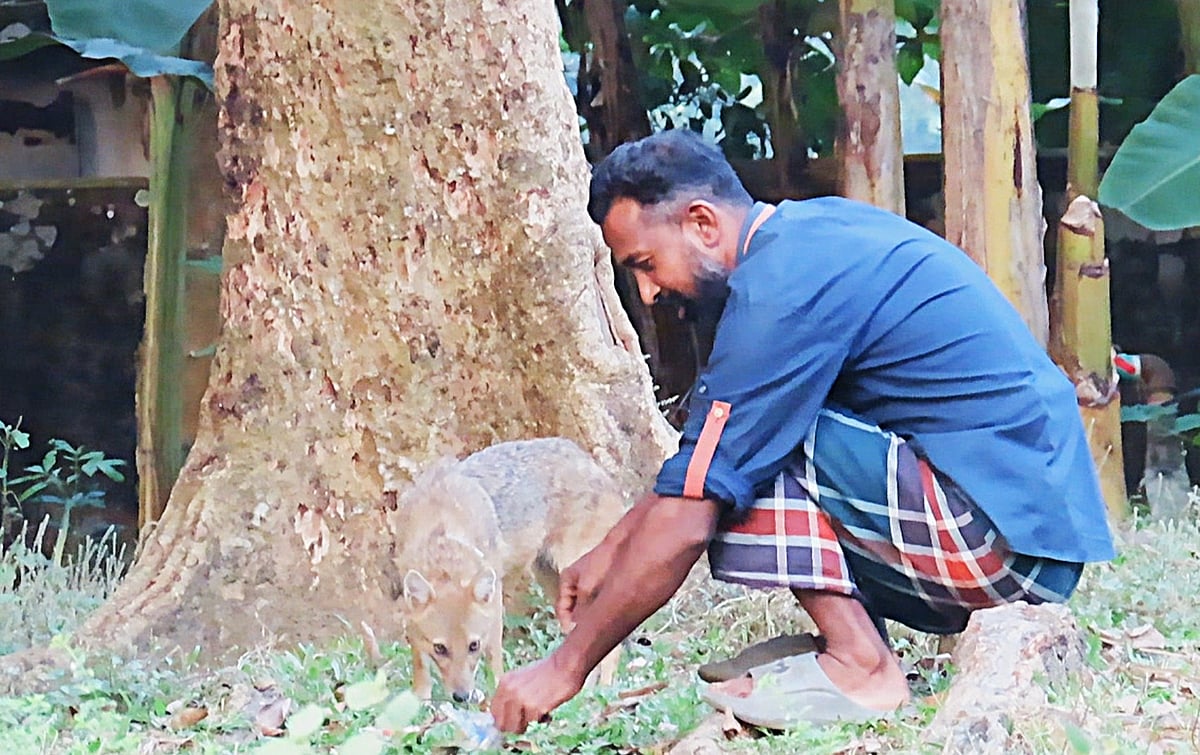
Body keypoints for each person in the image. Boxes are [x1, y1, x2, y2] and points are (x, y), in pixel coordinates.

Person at [490, 129, 1115, 733]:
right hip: (1027, 539)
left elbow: (693, 506)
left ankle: (861, 666)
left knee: (743, 463)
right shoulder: (808, 237)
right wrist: (614, 546)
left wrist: (562, 669)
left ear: (702, 223)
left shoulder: (779, 293)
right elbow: (701, 458)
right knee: (735, 447)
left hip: (1006, 553)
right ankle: (846, 645)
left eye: (646, 265)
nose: (649, 294)